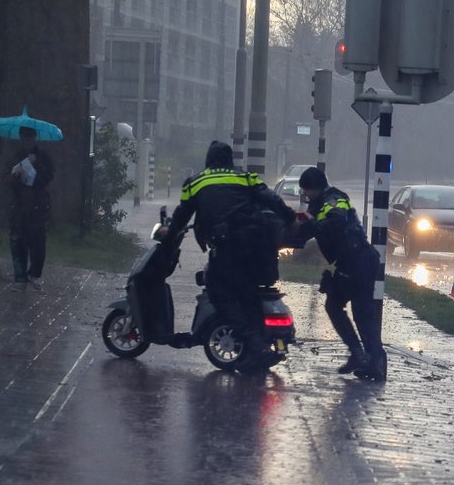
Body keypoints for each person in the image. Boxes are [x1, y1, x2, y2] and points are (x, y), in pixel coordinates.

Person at [162, 141, 296, 371]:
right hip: (258, 247)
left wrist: (170, 234)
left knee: (219, 293)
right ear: (229, 160)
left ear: (209, 159)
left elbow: (182, 214)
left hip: (229, 248)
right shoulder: (246, 177)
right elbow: (272, 200)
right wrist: (291, 218)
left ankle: (257, 347)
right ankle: (257, 352)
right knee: (248, 297)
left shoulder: (195, 182)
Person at [292, 167, 386, 382]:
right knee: (335, 305)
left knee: (361, 313)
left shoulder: (335, 199)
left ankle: (374, 361)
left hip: (359, 261)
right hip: (349, 262)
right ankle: (361, 356)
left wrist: (312, 222)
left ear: (316, 188)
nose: (305, 195)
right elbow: (307, 232)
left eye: (307, 191)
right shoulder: (317, 204)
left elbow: (335, 220)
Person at [7, 126, 54, 284]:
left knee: (38, 242)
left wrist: (36, 165)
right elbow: (9, 181)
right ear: (21, 138)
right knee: (20, 240)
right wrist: (16, 175)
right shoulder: (15, 156)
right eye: (24, 137)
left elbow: (48, 177)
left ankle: (35, 273)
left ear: (35, 138)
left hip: (38, 204)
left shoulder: (43, 156)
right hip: (20, 205)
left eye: (30, 137)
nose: (27, 140)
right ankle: (20, 274)